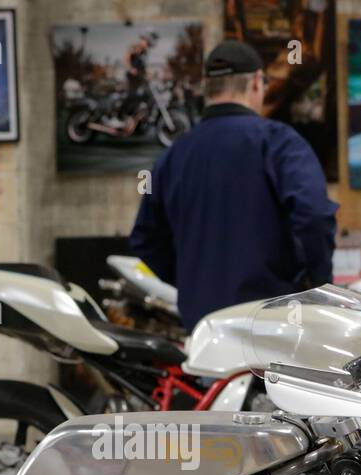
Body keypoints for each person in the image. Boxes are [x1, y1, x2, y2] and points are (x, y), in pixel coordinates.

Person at [129, 39, 337, 331]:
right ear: (256, 83)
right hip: (273, 326)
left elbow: (145, 239)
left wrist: (192, 282)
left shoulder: (171, 157)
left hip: (205, 330)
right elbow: (314, 215)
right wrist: (317, 283)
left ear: (206, 87)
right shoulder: (280, 143)